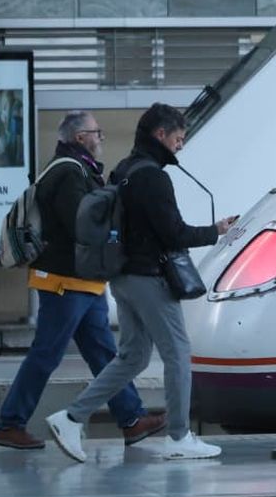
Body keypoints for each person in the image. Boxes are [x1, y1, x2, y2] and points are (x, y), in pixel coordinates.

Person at [46, 103, 237, 462]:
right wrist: (216, 231)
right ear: (160, 135)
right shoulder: (154, 177)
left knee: (132, 356)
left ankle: (71, 418)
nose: (181, 146)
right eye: (178, 139)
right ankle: (179, 437)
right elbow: (173, 233)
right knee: (178, 352)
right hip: (149, 277)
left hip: (122, 277)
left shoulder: (124, 169)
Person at [0, 112, 165, 450]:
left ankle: (131, 419)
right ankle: (9, 424)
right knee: (46, 354)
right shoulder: (69, 172)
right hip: (63, 281)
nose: (101, 137)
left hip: (82, 282)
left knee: (103, 353)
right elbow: (81, 224)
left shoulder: (78, 169)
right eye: (96, 132)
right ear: (79, 137)